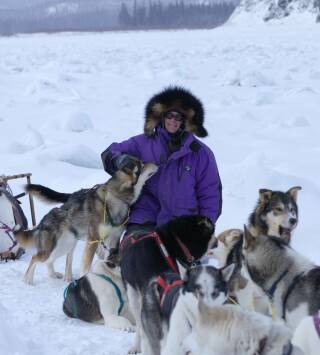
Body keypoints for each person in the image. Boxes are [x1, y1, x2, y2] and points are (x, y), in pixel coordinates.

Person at [101, 86, 222, 260]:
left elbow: (210, 195)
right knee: (137, 259)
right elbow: (110, 152)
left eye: (179, 117)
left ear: (187, 120)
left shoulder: (201, 154)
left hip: (183, 225)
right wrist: (120, 161)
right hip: (145, 218)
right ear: (161, 117)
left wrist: (204, 228)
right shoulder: (143, 143)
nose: (173, 121)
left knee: (179, 271)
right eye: (169, 115)